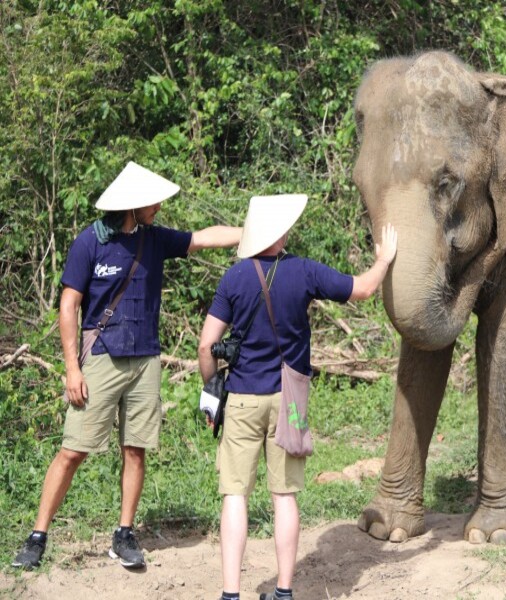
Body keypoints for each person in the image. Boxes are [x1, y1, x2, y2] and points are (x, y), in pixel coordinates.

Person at [11, 162, 242, 570]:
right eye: (152, 202)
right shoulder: (90, 243)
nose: (158, 208)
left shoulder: (154, 240)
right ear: (133, 206)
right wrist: (71, 368)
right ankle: (37, 536)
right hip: (100, 359)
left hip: (145, 359)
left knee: (135, 449)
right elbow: (69, 306)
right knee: (73, 451)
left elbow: (203, 239)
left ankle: (124, 533)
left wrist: (251, 235)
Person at [198, 194, 397, 600]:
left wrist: (211, 388)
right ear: (281, 232)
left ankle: (231, 594)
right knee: (284, 495)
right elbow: (362, 289)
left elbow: (206, 346)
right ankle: (285, 591)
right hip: (289, 400)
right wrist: (385, 259)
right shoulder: (304, 271)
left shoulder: (234, 278)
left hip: (242, 398)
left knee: (235, 494)